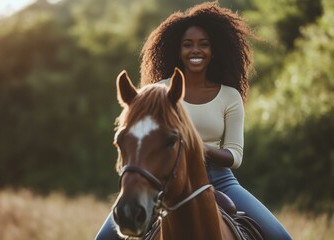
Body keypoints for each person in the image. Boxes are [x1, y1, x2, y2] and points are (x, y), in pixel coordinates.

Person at [96, 2, 292, 240]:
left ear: (214, 50)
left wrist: (193, 145)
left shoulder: (230, 96)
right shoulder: (158, 91)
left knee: (280, 237)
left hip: (220, 179)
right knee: (104, 238)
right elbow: (143, 138)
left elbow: (235, 157)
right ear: (178, 50)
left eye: (203, 44)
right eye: (187, 45)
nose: (195, 50)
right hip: (164, 177)